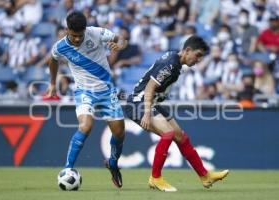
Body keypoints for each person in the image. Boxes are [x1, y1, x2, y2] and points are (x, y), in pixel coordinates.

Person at [125, 36, 229, 192]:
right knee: (168, 133)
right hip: (139, 102)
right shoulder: (170, 64)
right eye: (198, 55)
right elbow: (149, 88)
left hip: (153, 102)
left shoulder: (176, 61)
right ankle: (155, 178)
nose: (198, 60)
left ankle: (204, 176)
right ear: (187, 50)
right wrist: (146, 113)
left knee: (180, 137)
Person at [47, 11, 127, 188]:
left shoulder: (96, 33)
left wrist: (120, 45)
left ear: (85, 30)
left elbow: (120, 38)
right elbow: (52, 60)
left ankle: (113, 164)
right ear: (67, 30)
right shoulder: (60, 46)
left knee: (120, 133)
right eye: (74, 36)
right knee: (85, 126)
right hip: (84, 92)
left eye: (80, 35)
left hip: (106, 91)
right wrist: (52, 83)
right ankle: (68, 168)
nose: (77, 39)